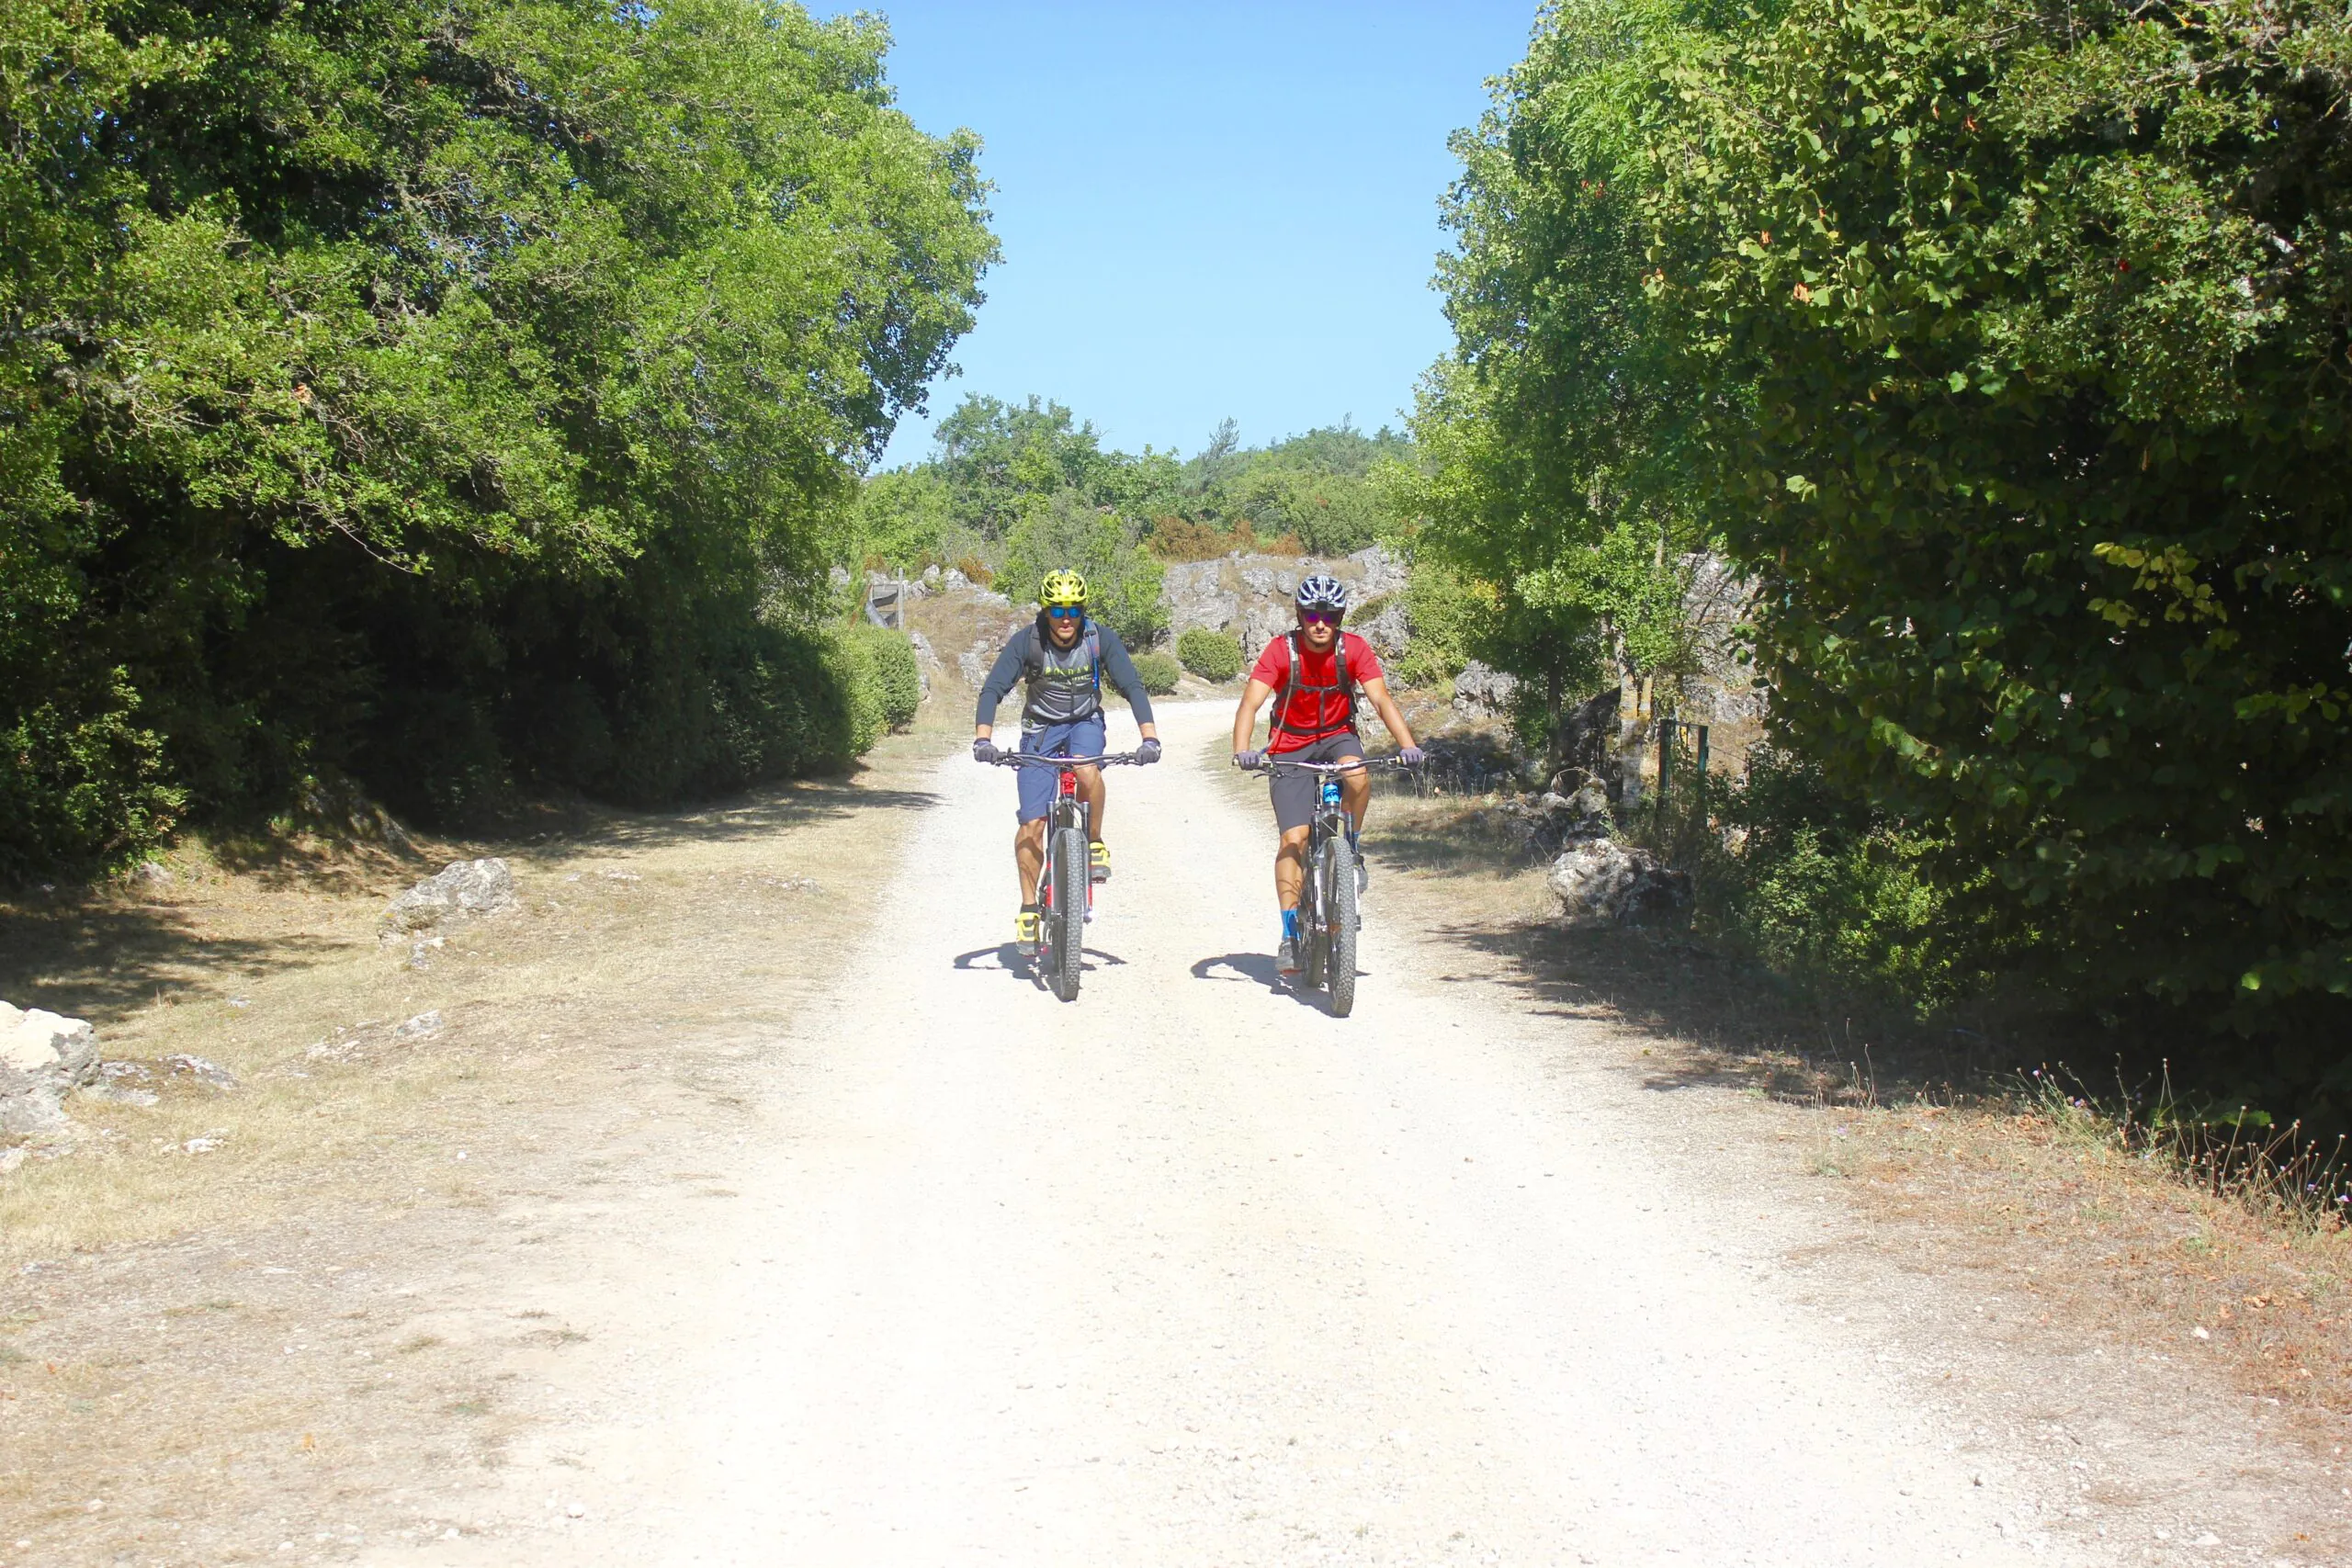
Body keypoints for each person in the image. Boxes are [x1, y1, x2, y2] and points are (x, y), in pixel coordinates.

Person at [1229, 574, 1425, 976]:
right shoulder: (1281, 651)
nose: (1321, 623)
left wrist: (1408, 745)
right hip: (1290, 744)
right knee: (1294, 839)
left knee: (1357, 777)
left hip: (1337, 737)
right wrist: (1243, 751)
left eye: (1330, 615)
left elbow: (1380, 699)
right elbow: (1250, 703)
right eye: (1313, 615)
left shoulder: (1353, 649)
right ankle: (1289, 933)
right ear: (1300, 616)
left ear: (1340, 618)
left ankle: (1350, 847)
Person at [973, 570, 1162, 954]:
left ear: (1082, 612)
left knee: (1085, 766)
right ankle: (1029, 910)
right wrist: (983, 737)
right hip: (1040, 730)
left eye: (1073, 611)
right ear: (1045, 611)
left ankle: (1094, 842)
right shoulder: (1028, 642)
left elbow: (1132, 685)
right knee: (1032, 824)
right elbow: (993, 687)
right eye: (1057, 610)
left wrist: (1150, 736)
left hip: (1084, 722)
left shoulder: (1099, 639)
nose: (1065, 618)